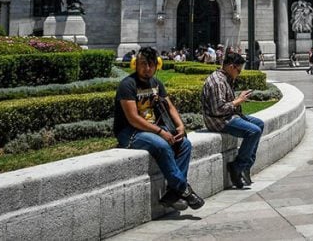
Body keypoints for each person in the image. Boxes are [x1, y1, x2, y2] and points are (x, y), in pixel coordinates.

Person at [113, 46, 204, 209]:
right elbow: (133, 119)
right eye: (142, 64)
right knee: (162, 145)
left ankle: (173, 193)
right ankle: (184, 189)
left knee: (184, 144)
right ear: (135, 64)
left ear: (157, 65)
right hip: (130, 132)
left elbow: (169, 107)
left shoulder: (156, 83)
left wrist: (180, 126)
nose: (147, 68)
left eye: (150, 64)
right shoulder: (127, 85)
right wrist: (161, 132)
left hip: (152, 130)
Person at [201, 51, 264, 188]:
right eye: (238, 71)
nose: (239, 74)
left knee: (259, 123)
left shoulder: (225, 78)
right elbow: (217, 110)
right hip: (219, 121)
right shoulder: (217, 82)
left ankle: (245, 166)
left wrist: (238, 98)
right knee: (253, 131)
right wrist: (238, 101)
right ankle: (237, 167)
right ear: (231, 67)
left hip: (228, 116)